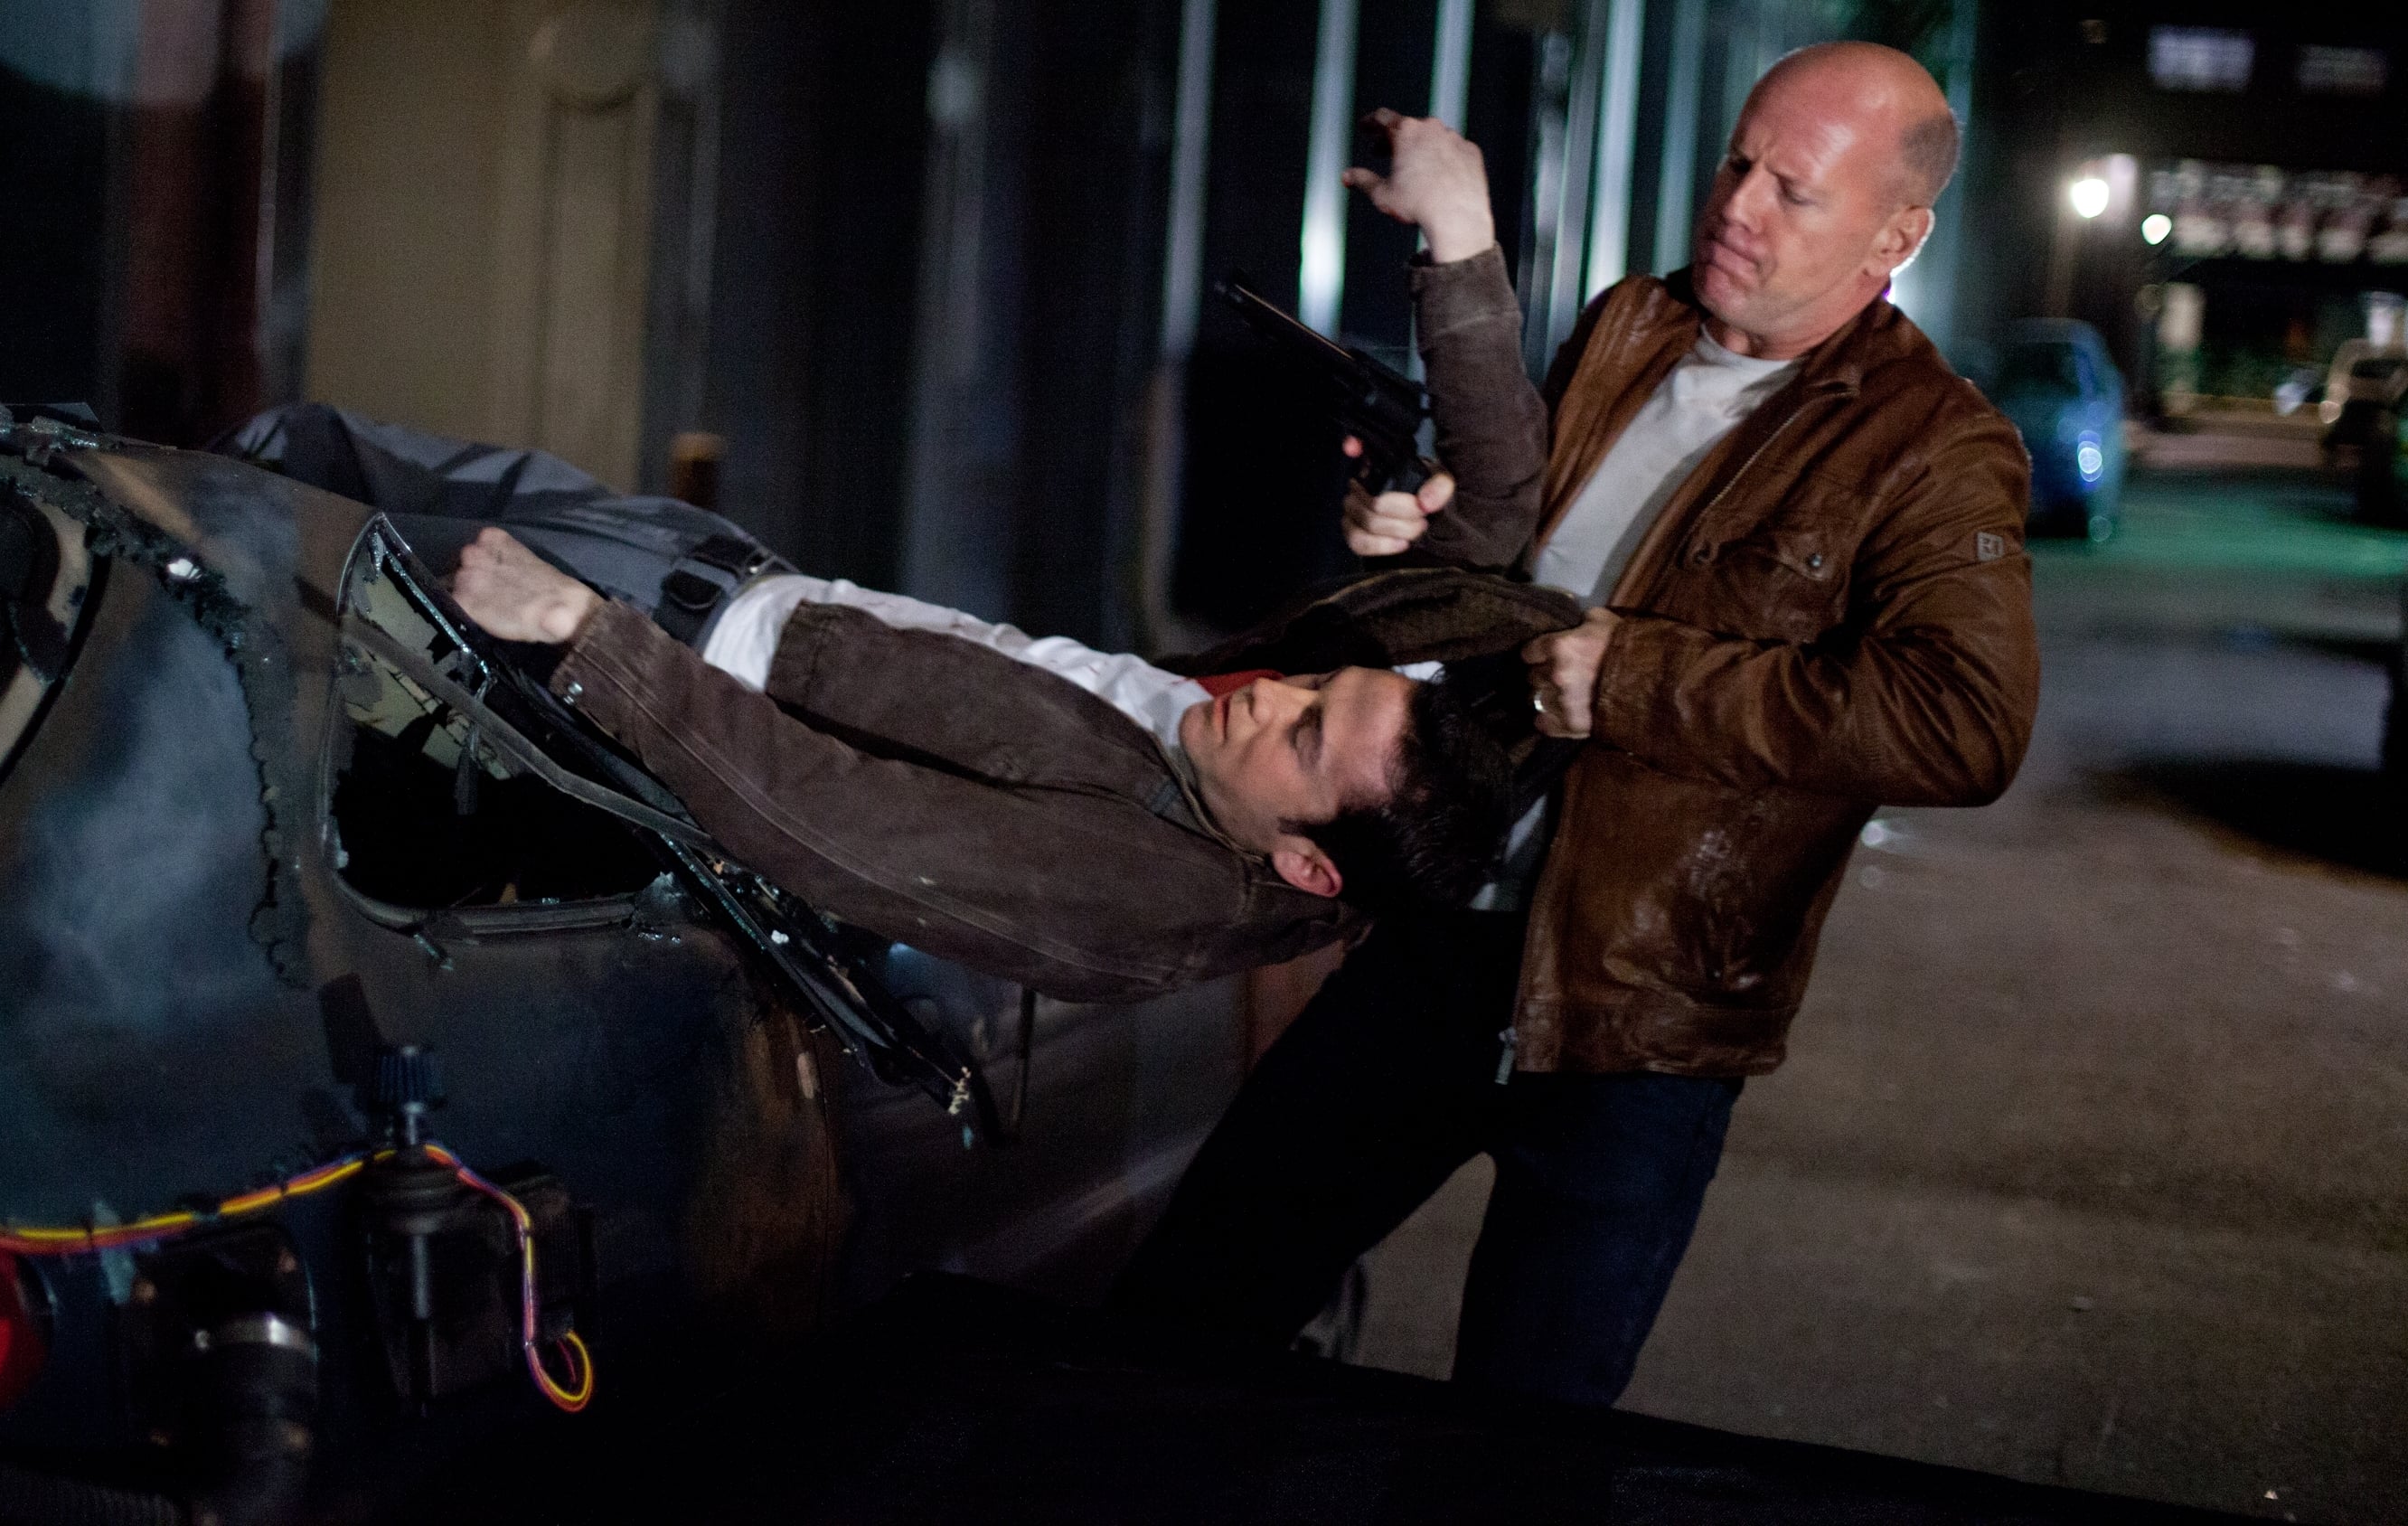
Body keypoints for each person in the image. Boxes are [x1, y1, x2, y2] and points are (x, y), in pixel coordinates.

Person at [1115, 42, 2039, 1406]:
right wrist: (1418, 532)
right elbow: (1513, 555)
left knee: (1521, 1440)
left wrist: (1642, 681)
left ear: (1896, 238)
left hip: (1635, 1027)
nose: (1736, 207)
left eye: (1793, 191)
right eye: (1737, 162)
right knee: (1179, 1319)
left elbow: (1967, 724)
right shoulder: (1633, 325)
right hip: (1442, 938)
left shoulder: (1933, 449)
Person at [234, 404, 1578, 1006]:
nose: (1271, 694)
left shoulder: (1149, 895)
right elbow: (1490, 570)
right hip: (713, 576)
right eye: (1314, 684)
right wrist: (1456, 251)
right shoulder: (1244, 791)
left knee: (244, 545)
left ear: (1308, 866)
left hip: (636, 634)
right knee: (299, 449)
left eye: (1304, 734)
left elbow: (837, 825)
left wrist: (591, 639)